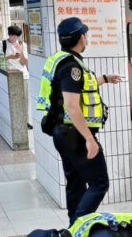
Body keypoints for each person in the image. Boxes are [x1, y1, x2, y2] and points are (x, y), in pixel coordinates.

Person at [36, 17, 123, 224]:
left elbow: (80, 87)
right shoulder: (71, 67)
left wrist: (104, 78)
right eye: (85, 34)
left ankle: (73, 227)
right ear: (81, 37)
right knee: (99, 183)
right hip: (74, 134)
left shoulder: (62, 59)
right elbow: (72, 105)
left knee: (75, 182)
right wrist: (90, 140)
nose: (87, 38)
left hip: (63, 132)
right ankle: (77, 228)